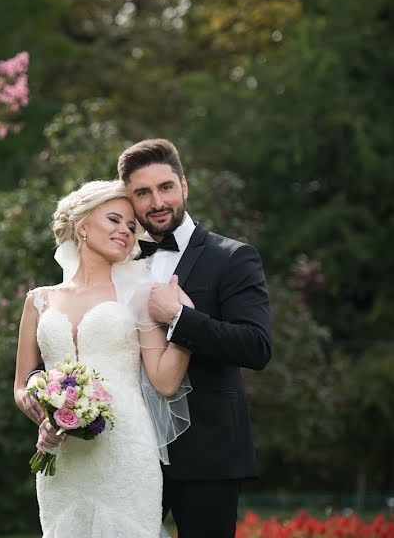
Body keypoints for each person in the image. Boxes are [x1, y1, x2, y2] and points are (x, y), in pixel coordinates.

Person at [13, 179, 194, 537]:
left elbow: (165, 381)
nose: (125, 231)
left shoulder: (141, 295)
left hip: (126, 450)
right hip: (60, 457)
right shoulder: (39, 300)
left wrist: (186, 323)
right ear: (81, 226)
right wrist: (40, 406)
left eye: (131, 226)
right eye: (114, 220)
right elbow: (21, 384)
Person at [118, 138, 272, 537]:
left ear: (184, 185)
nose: (157, 202)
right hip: (125, 452)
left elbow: (256, 347)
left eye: (165, 187)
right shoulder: (114, 263)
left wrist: (181, 318)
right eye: (142, 193)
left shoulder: (233, 257)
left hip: (207, 455)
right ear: (128, 200)